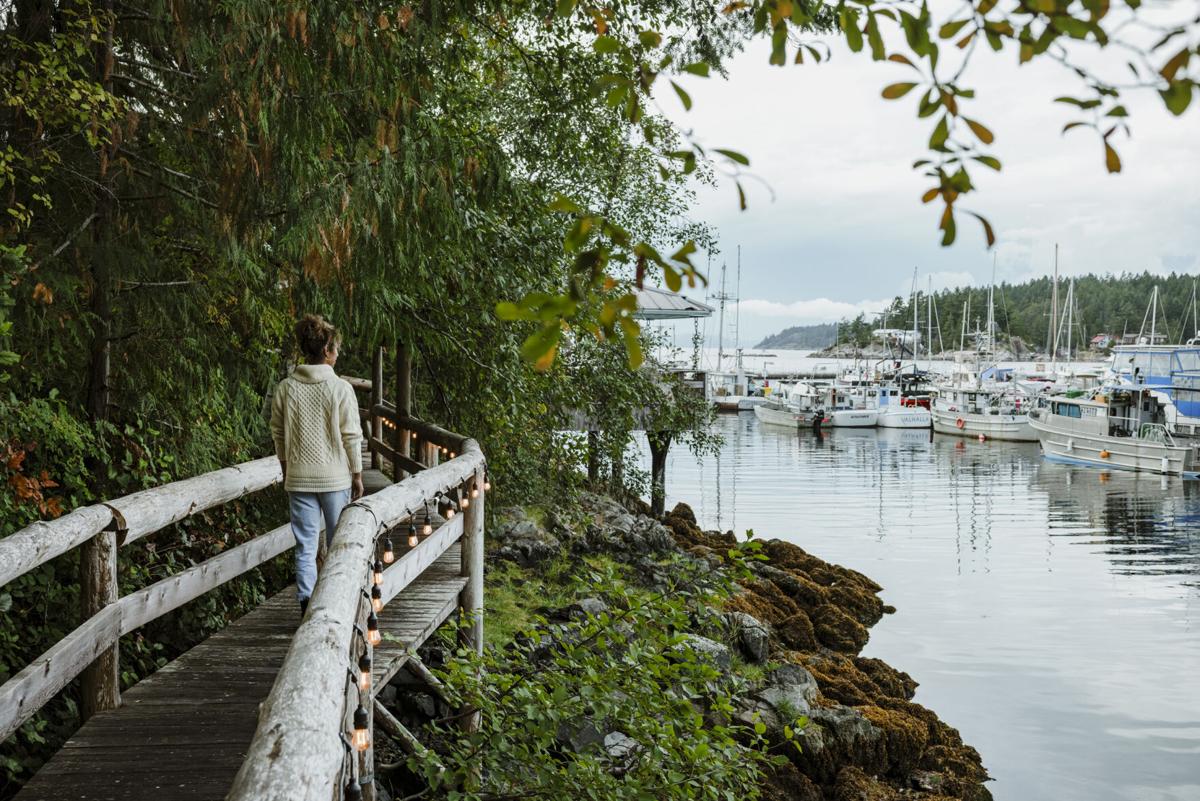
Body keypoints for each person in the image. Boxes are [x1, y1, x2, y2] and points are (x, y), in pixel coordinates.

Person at [270, 314, 364, 616]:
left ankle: (307, 605)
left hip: (299, 478)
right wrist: (358, 474)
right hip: (335, 479)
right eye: (335, 348)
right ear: (326, 350)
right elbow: (351, 435)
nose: (337, 353)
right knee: (339, 546)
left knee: (305, 547)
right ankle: (337, 607)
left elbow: (279, 433)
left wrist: (287, 468)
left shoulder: (286, 387)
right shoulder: (340, 389)